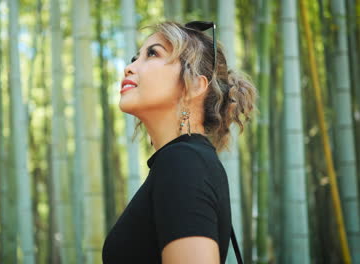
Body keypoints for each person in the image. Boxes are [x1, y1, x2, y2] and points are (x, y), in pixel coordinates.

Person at [102, 20, 257, 264]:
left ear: (195, 85)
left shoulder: (184, 162)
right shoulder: (184, 160)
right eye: (135, 57)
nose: (129, 68)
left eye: (152, 53)